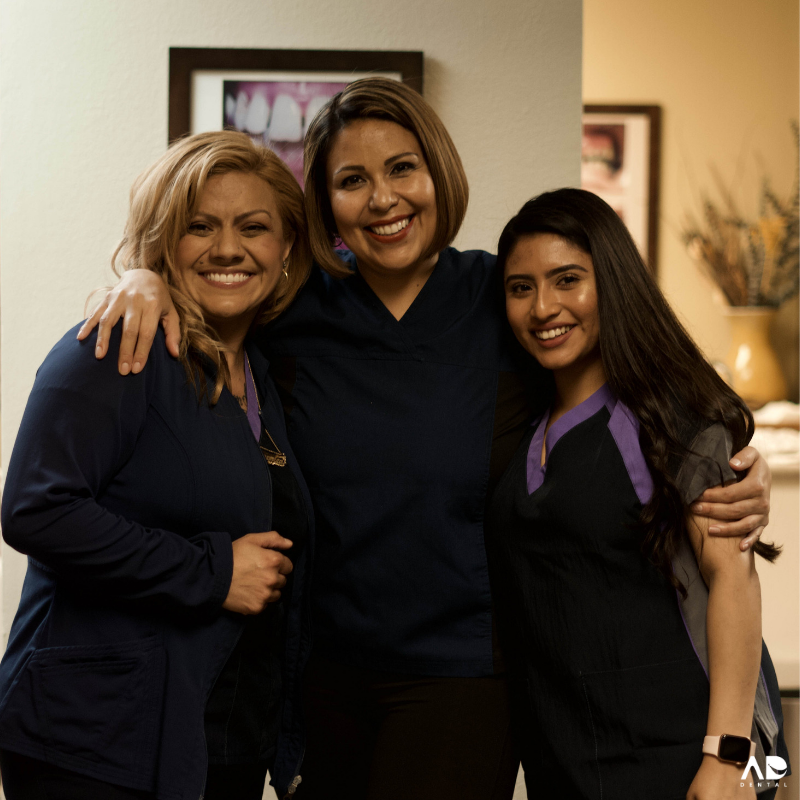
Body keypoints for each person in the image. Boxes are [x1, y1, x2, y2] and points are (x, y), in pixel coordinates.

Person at [78, 79, 773, 800]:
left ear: (438, 171)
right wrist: (141, 279)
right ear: (325, 203)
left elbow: (639, 372)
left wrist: (725, 465)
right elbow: (213, 295)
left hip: (466, 679)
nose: (383, 199)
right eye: (353, 180)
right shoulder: (292, 311)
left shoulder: (502, 296)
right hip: (322, 675)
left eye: (402, 169)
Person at [0, 131, 314, 800]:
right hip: (96, 742)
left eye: (253, 227)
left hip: (217, 738)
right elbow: (36, 509)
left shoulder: (260, 370)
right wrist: (212, 571)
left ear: (286, 247)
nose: (228, 248)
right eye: (198, 226)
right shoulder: (115, 347)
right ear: (163, 241)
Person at [489, 188, 789, 800]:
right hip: (565, 758)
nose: (544, 307)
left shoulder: (671, 423)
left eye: (567, 280)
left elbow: (736, 581)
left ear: (613, 283)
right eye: (521, 288)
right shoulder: (520, 428)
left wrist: (727, 760)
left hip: (679, 759)